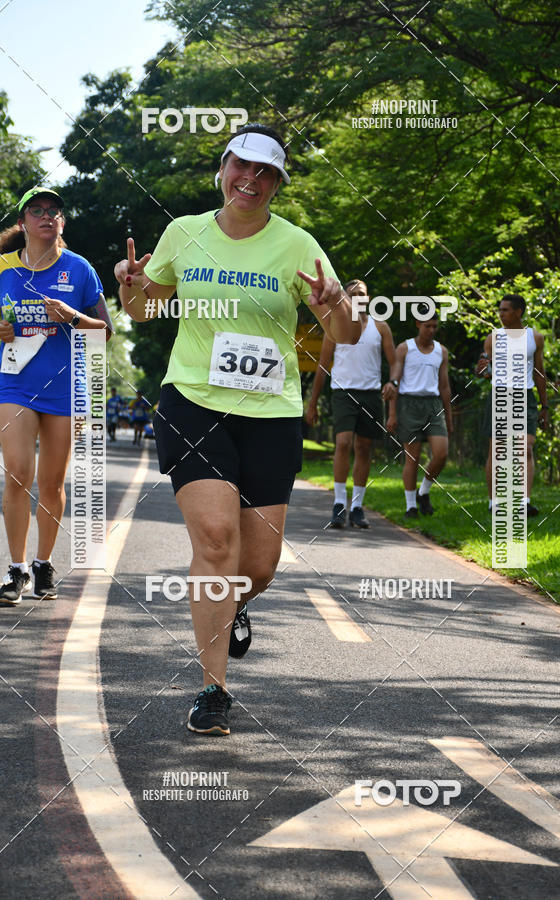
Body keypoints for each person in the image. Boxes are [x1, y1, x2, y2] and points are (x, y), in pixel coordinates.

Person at [114, 123, 360, 736]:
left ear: (276, 184)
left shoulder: (298, 244)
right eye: (241, 166)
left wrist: (335, 303)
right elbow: (146, 310)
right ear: (223, 169)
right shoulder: (184, 233)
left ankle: (235, 605)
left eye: (265, 173)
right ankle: (213, 690)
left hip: (270, 412)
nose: (250, 180)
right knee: (216, 543)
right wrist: (130, 285)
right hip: (193, 401)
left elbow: (348, 335)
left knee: (259, 566)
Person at [0, 187, 112, 605]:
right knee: (15, 471)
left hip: (67, 387)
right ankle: (16, 570)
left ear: (61, 223)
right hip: (15, 383)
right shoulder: (3, 269)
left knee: (51, 482)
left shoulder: (79, 270)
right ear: (24, 222)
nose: (48, 216)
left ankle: (43, 563)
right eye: (38, 211)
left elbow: (105, 331)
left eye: (55, 211)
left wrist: (73, 316)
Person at [305, 279, 396, 529]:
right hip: (343, 393)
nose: (358, 297)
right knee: (343, 443)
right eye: (353, 293)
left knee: (364, 449)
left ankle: (357, 506)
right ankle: (338, 504)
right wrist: (312, 404)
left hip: (370, 394)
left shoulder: (380, 327)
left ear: (368, 298)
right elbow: (322, 366)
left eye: (362, 293)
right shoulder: (334, 326)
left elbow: (394, 361)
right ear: (345, 297)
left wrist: (394, 382)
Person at [475, 294, 548, 516]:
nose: (501, 314)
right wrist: (481, 370)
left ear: (519, 312)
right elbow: (483, 370)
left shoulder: (535, 338)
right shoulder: (493, 338)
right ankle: (494, 502)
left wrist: (545, 406)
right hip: (499, 395)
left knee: (525, 448)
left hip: (525, 396)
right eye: (500, 310)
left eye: (505, 310)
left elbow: (539, 372)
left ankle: (523, 503)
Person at [384, 306, 453, 517]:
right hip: (409, 403)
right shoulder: (405, 348)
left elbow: (444, 385)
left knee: (441, 454)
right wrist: (393, 414)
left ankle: (424, 491)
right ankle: (410, 506)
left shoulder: (441, 351)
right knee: (412, 458)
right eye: (427, 326)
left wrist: (448, 417)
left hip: (433, 404)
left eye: (435, 326)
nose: (431, 330)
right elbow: (394, 380)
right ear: (417, 324)